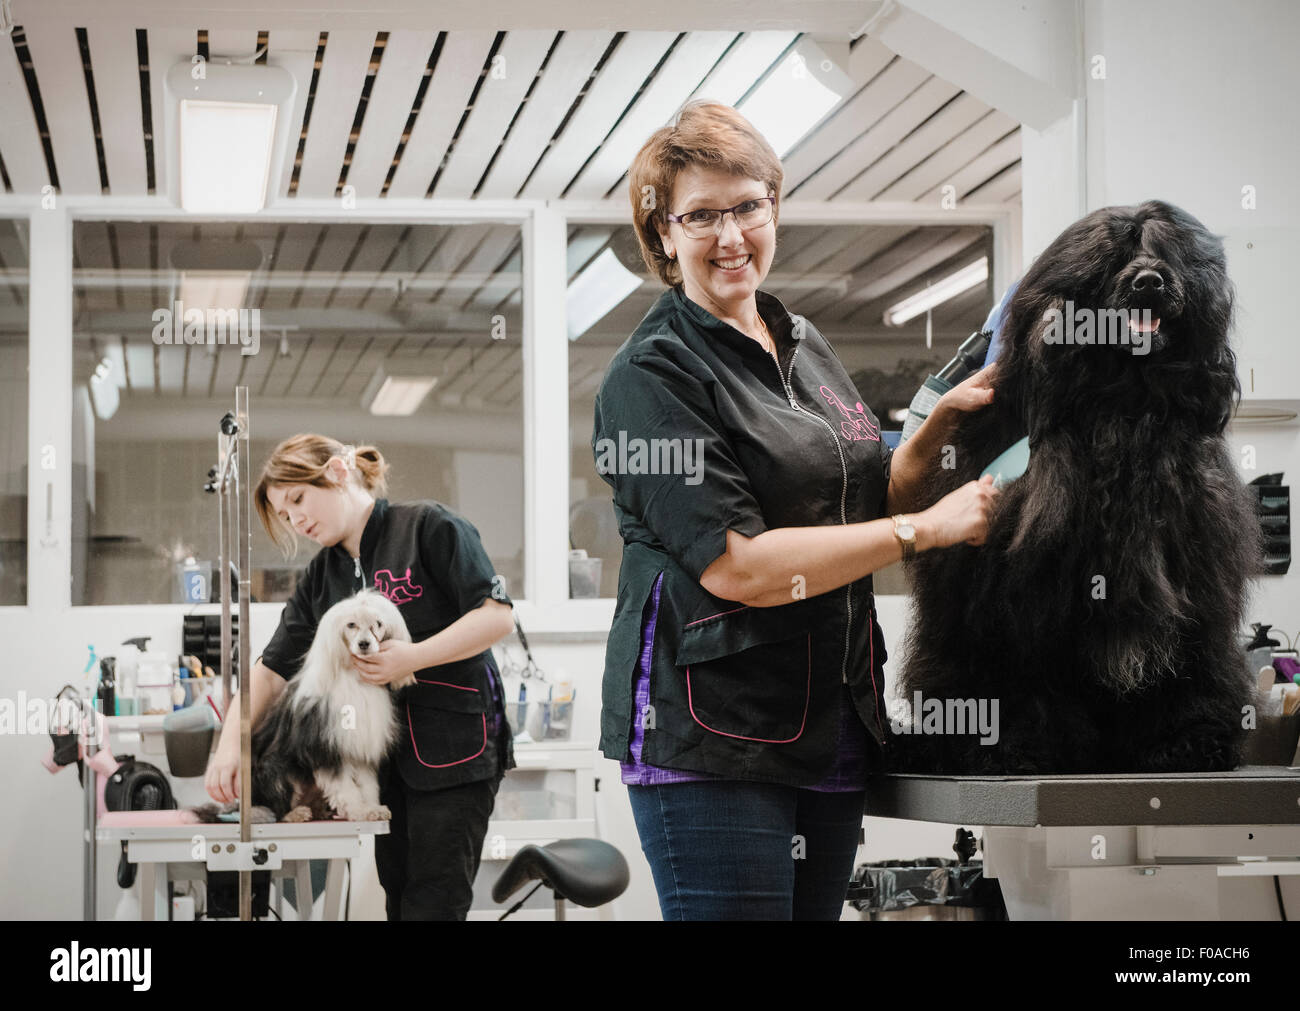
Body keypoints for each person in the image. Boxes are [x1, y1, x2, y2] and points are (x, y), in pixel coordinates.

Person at [592, 101, 999, 920]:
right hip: (715, 737)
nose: (731, 234)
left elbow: (867, 492)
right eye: (701, 214)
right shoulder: (652, 375)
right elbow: (737, 564)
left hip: (831, 718)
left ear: (774, 206)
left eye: (748, 205)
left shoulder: (804, 343)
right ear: (663, 234)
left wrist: (939, 427)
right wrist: (926, 530)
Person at [204, 434, 516, 920]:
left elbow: (496, 618)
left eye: (298, 500)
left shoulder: (428, 528)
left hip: (455, 752)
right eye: (285, 516)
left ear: (337, 471)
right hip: (379, 766)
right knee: (399, 896)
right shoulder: (321, 577)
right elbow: (271, 670)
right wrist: (230, 746)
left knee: (435, 902)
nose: (297, 520)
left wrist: (410, 658)